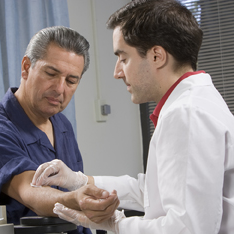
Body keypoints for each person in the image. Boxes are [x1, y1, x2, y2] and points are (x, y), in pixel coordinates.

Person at [31, 1, 234, 233]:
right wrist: (78, 180)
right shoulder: (196, 102)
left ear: (157, 56)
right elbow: (153, 189)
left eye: (123, 58)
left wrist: (116, 225)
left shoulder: (186, 114)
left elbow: (187, 229)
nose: (117, 72)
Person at [0, 26, 120, 234]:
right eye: (51, 74)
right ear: (26, 67)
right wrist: (75, 200)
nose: (60, 89)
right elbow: (30, 193)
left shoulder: (61, 125)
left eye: (71, 80)